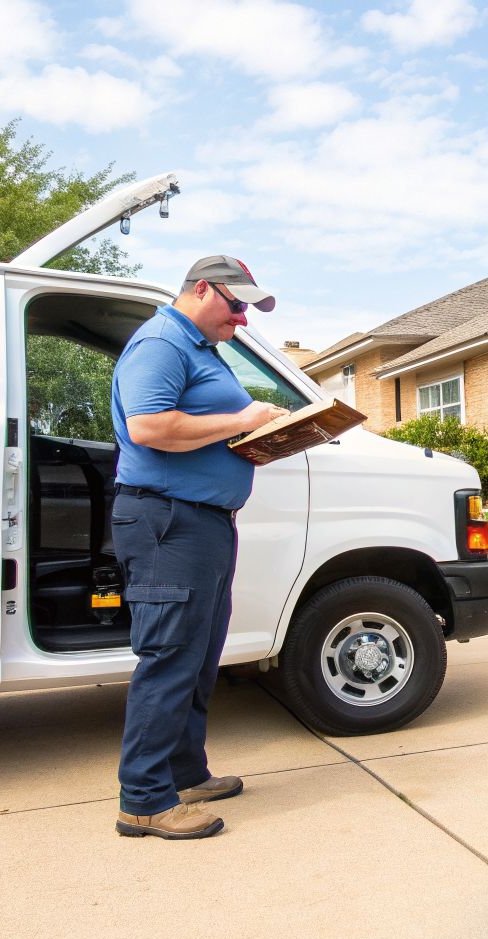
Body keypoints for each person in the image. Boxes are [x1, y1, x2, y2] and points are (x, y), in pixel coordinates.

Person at [108, 255, 287, 839]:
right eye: (235, 305)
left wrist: (262, 431)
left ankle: (185, 773)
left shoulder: (201, 350)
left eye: (248, 309)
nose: (241, 319)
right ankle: (144, 800)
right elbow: (149, 427)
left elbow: (199, 428)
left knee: (198, 656)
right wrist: (241, 419)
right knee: (169, 658)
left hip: (202, 522)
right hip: (168, 522)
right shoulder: (162, 341)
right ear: (202, 289)